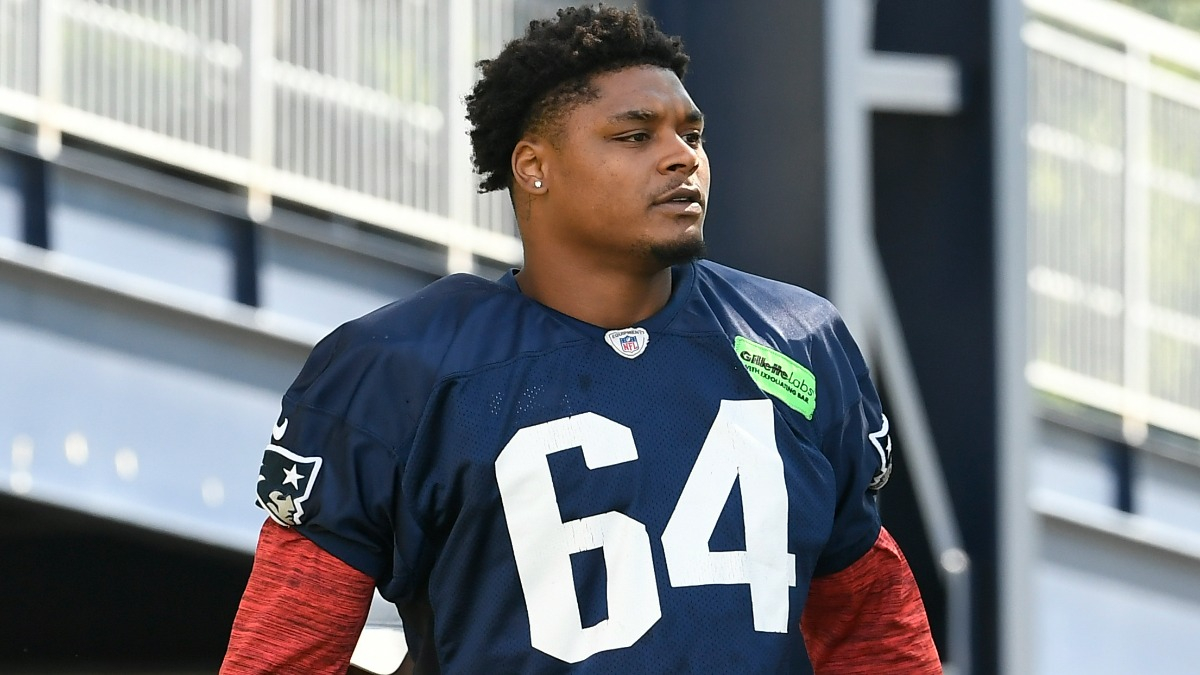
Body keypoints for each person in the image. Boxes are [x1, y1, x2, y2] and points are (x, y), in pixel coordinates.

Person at [221, 5, 940, 674]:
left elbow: (872, 624)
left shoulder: (799, 340)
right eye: (635, 135)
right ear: (533, 166)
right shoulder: (397, 366)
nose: (682, 158)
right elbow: (285, 649)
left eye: (691, 135)